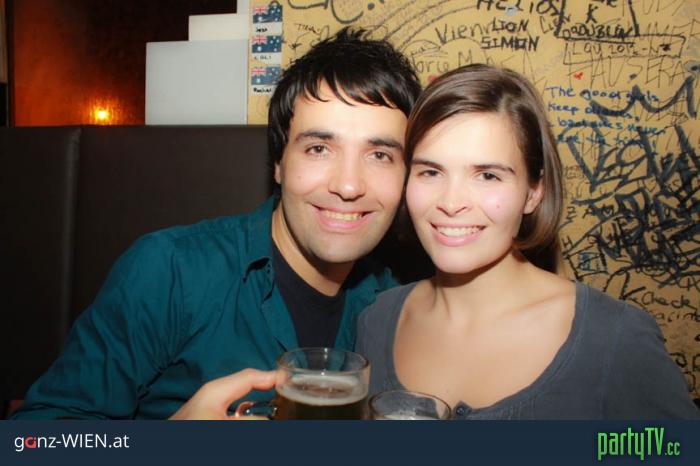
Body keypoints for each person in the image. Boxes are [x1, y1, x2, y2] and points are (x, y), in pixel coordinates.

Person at [11, 28, 421, 420]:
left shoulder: (396, 305)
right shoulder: (171, 271)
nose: (348, 185)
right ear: (279, 164)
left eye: (380, 155)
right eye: (318, 148)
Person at [356, 64, 699, 419]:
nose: (451, 202)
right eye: (431, 171)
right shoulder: (376, 321)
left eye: (488, 175)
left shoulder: (614, 339)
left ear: (534, 192)